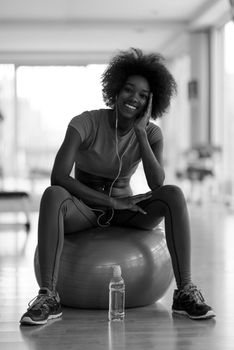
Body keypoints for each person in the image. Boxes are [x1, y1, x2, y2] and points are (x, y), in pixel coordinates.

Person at [20, 48, 215, 325]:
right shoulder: (85, 122)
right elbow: (59, 176)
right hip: (84, 210)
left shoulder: (152, 133)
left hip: (127, 211)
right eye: (128, 89)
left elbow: (157, 183)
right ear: (115, 90)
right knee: (53, 195)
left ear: (151, 102)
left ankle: (185, 292)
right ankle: (48, 296)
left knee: (173, 194)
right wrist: (111, 202)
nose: (134, 98)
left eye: (143, 95)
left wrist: (140, 134)